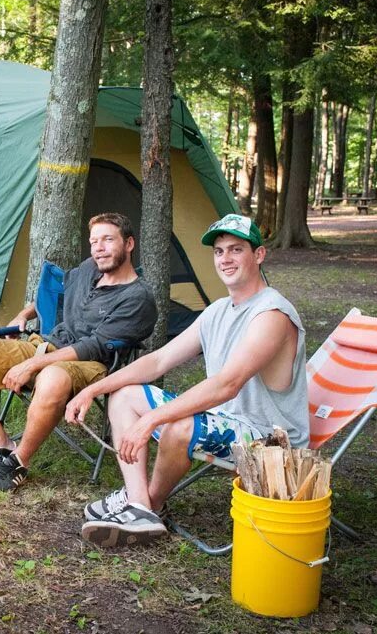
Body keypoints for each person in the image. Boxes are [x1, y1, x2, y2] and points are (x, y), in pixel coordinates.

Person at [66, 214, 309, 547]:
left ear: (259, 255)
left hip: (270, 439)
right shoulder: (219, 310)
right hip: (229, 420)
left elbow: (228, 384)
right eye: (219, 251)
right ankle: (140, 505)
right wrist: (94, 388)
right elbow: (159, 360)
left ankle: (146, 507)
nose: (225, 259)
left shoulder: (272, 315)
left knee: (180, 427)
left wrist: (154, 417)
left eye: (236, 250)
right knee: (123, 395)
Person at [0, 213, 157, 492]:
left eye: (107, 240)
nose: (99, 248)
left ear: (129, 244)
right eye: (94, 242)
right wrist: (25, 312)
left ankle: (19, 461)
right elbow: (59, 288)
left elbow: (93, 346)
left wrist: (33, 365)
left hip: (91, 364)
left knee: (52, 376)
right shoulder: (91, 267)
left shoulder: (137, 298)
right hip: (44, 345)